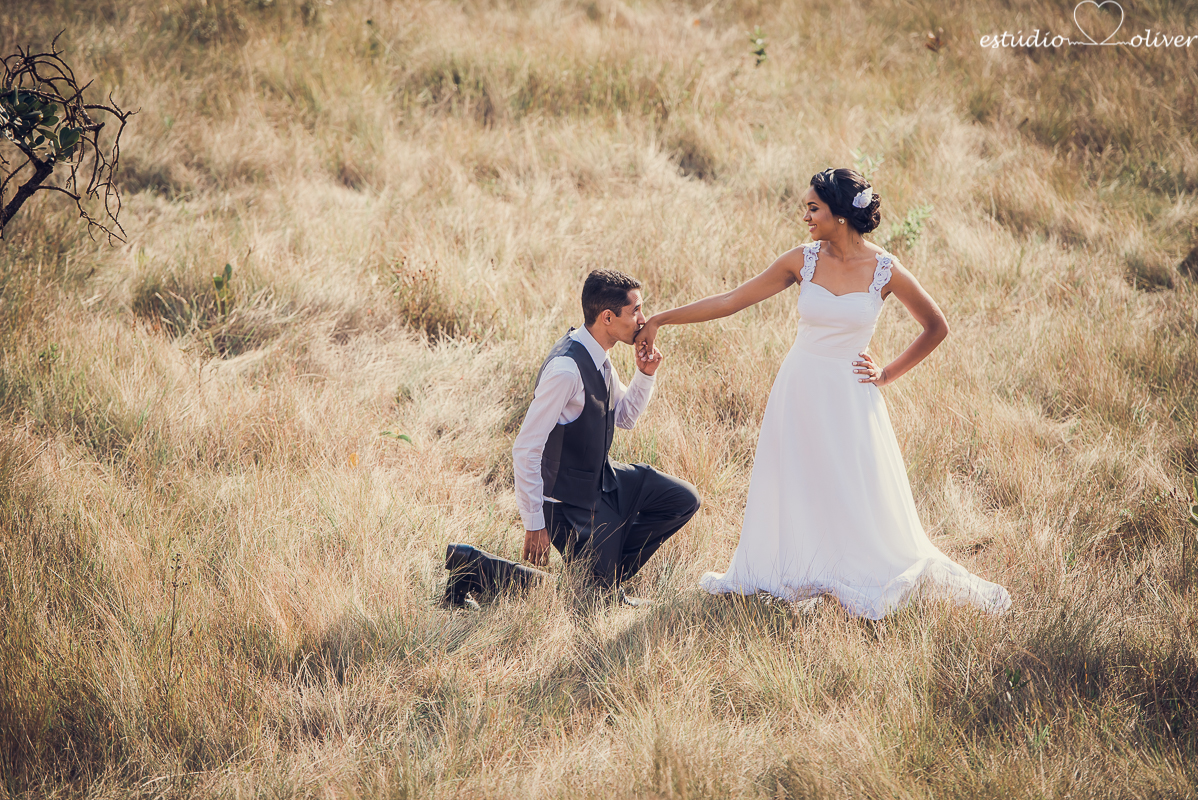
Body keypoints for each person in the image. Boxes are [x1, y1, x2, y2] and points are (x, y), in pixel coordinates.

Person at [634, 168, 1011, 619]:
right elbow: (732, 300)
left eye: (813, 208)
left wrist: (888, 374)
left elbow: (937, 327)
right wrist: (661, 320)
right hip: (800, 388)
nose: (806, 217)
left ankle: (852, 569)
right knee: (796, 479)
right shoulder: (801, 260)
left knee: (852, 485)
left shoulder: (885, 269)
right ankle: (798, 569)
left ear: (840, 214)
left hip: (851, 395)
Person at [442, 269, 702, 608]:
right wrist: (535, 523)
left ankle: (602, 578)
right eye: (636, 310)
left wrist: (645, 374)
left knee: (683, 499)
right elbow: (525, 449)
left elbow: (623, 417)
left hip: (602, 480)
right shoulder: (566, 370)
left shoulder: (598, 351)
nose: (642, 319)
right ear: (608, 317)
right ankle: (472, 566)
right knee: (592, 604)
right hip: (568, 504)